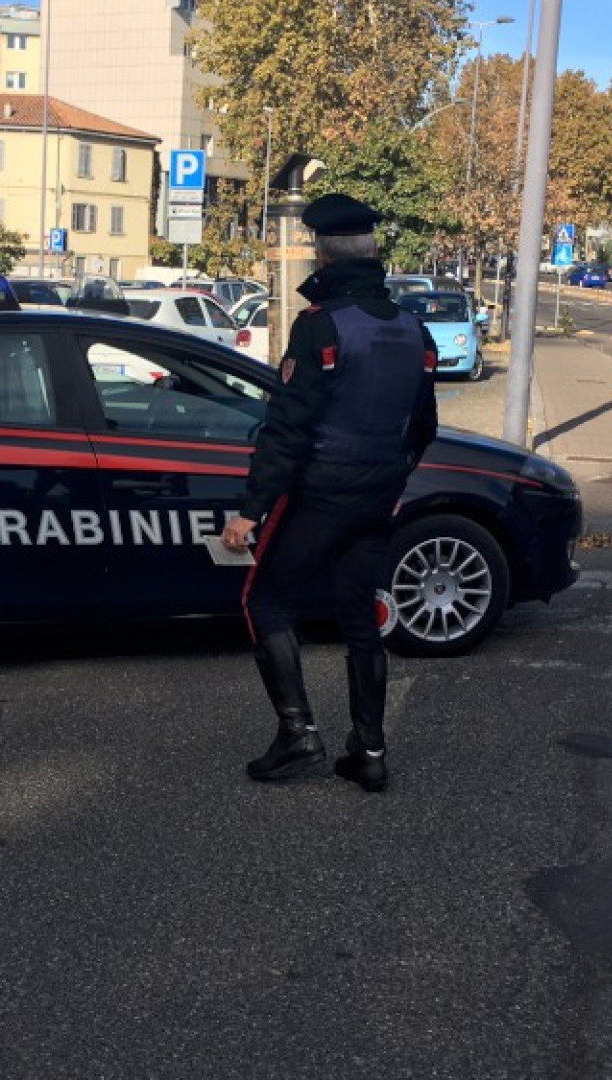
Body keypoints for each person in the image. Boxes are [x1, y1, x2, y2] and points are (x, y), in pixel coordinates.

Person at [218, 193, 439, 793]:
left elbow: (286, 428)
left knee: (264, 601)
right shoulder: (413, 330)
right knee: (361, 620)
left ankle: (297, 736)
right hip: (375, 500)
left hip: (320, 493)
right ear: (374, 254)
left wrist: (249, 512)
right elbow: (423, 430)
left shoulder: (320, 326)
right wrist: (393, 485)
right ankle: (369, 752)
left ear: (321, 252)